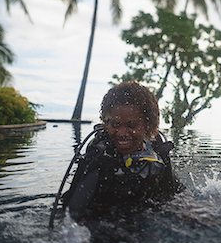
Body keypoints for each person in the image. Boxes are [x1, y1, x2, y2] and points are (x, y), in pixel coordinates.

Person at [62, 81, 183, 220]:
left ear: (148, 125)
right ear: (106, 123)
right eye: (115, 124)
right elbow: (71, 213)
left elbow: (176, 191)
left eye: (131, 125)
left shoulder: (157, 152)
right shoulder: (99, 157)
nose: (122, 133)